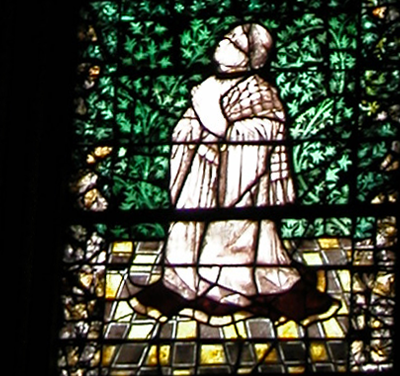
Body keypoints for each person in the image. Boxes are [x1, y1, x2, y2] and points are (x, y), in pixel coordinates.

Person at [132, 21, 324, 318]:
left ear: (252, 58)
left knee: (232, 232)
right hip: (200, 171)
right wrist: (192, 128)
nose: (224, 41)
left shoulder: (259, 92)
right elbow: (186, 126)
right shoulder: (210, 84)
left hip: (241, 183)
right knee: (186, 225)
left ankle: (228, 287)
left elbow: (259, 137)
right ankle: (183, 281)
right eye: (227, 36)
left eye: (235, 41)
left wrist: (213, 120)